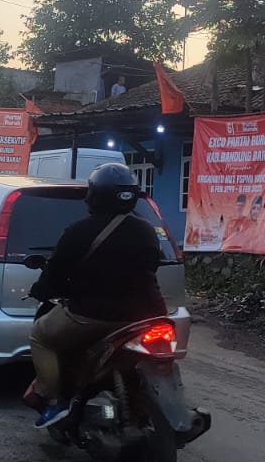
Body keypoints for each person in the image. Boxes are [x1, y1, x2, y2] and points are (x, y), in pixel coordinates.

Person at [26, 163, 167, 428]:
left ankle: (53, 401)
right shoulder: (147, 231)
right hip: (144, 317)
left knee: (40, 336)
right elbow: (151, 267)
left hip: (89, 316)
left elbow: (55, 274)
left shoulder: (78, 231)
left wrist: (41, 290)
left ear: (95, 195)